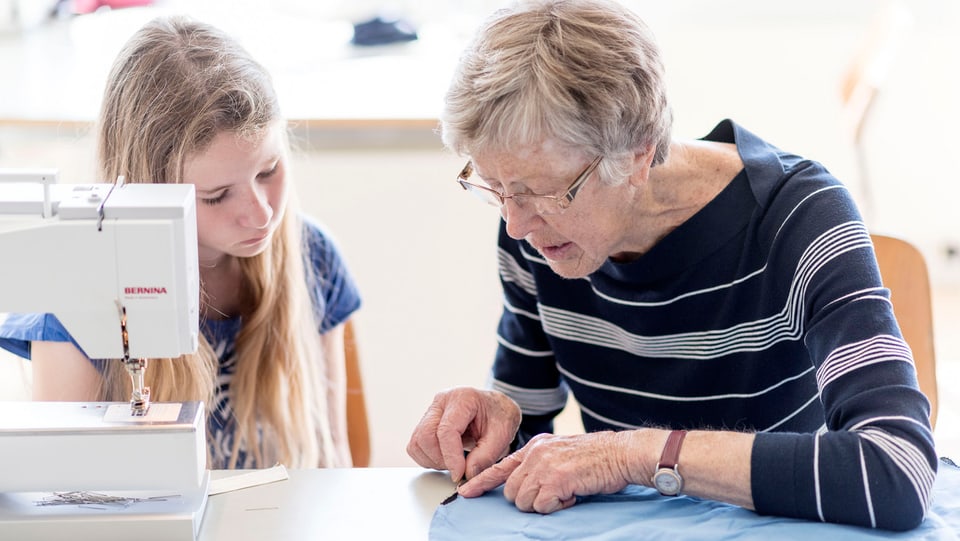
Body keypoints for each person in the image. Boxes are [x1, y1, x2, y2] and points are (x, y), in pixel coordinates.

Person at [406, 0, 936, 531]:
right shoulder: (538, 232)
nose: (516, 223)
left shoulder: (798, 218)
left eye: (542, 191)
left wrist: (635, 456)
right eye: (496, 188)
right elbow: (524, 445)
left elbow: (896, 470)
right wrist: (496, 419)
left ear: (638, 153)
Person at [0, 16, 362, 469]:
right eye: (215, 196)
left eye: (268, 171)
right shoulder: (74, 305)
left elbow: (334, 460)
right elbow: (64, 488)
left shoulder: (313, 257)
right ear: (149, 189)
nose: (262, 213)